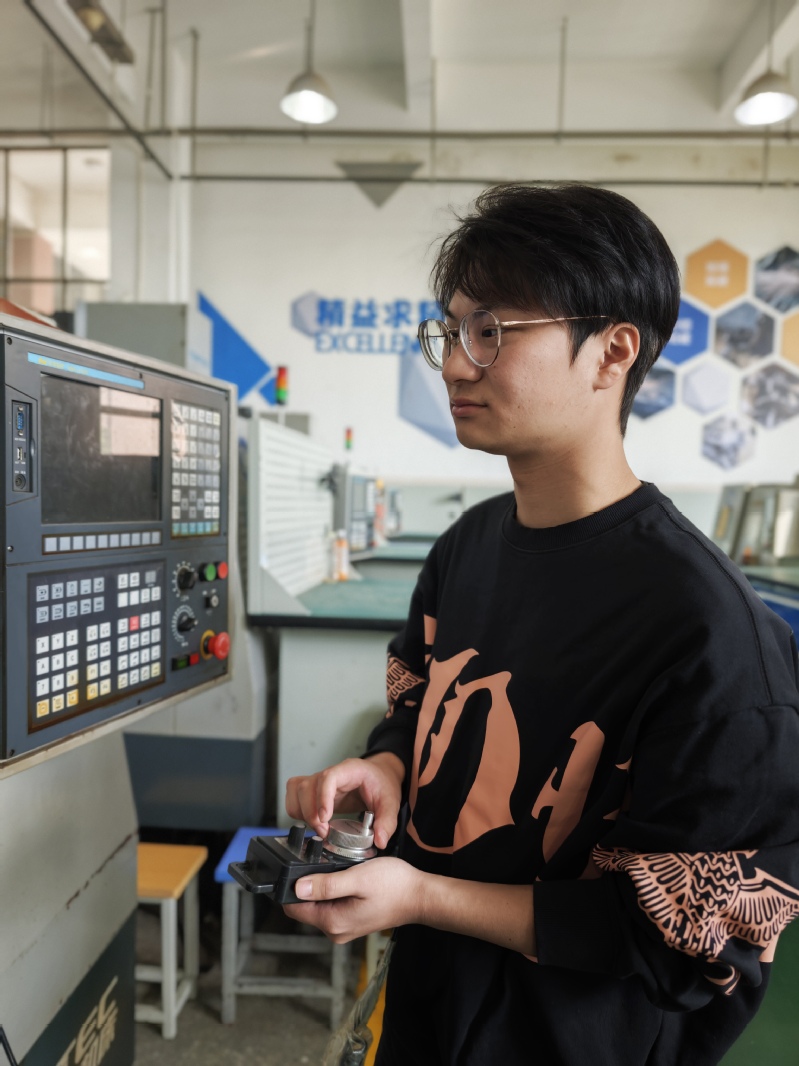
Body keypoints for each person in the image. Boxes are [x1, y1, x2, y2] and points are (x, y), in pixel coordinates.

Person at [284, 184, 799, 1065]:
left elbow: (672, 940)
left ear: (611, 352)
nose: (455, 365)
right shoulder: (467, 547)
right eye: (450, 330)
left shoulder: (709, 637)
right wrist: (386, 765)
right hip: (429, 1008)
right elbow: (417, 704)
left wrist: (422, 897)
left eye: (491, 330)